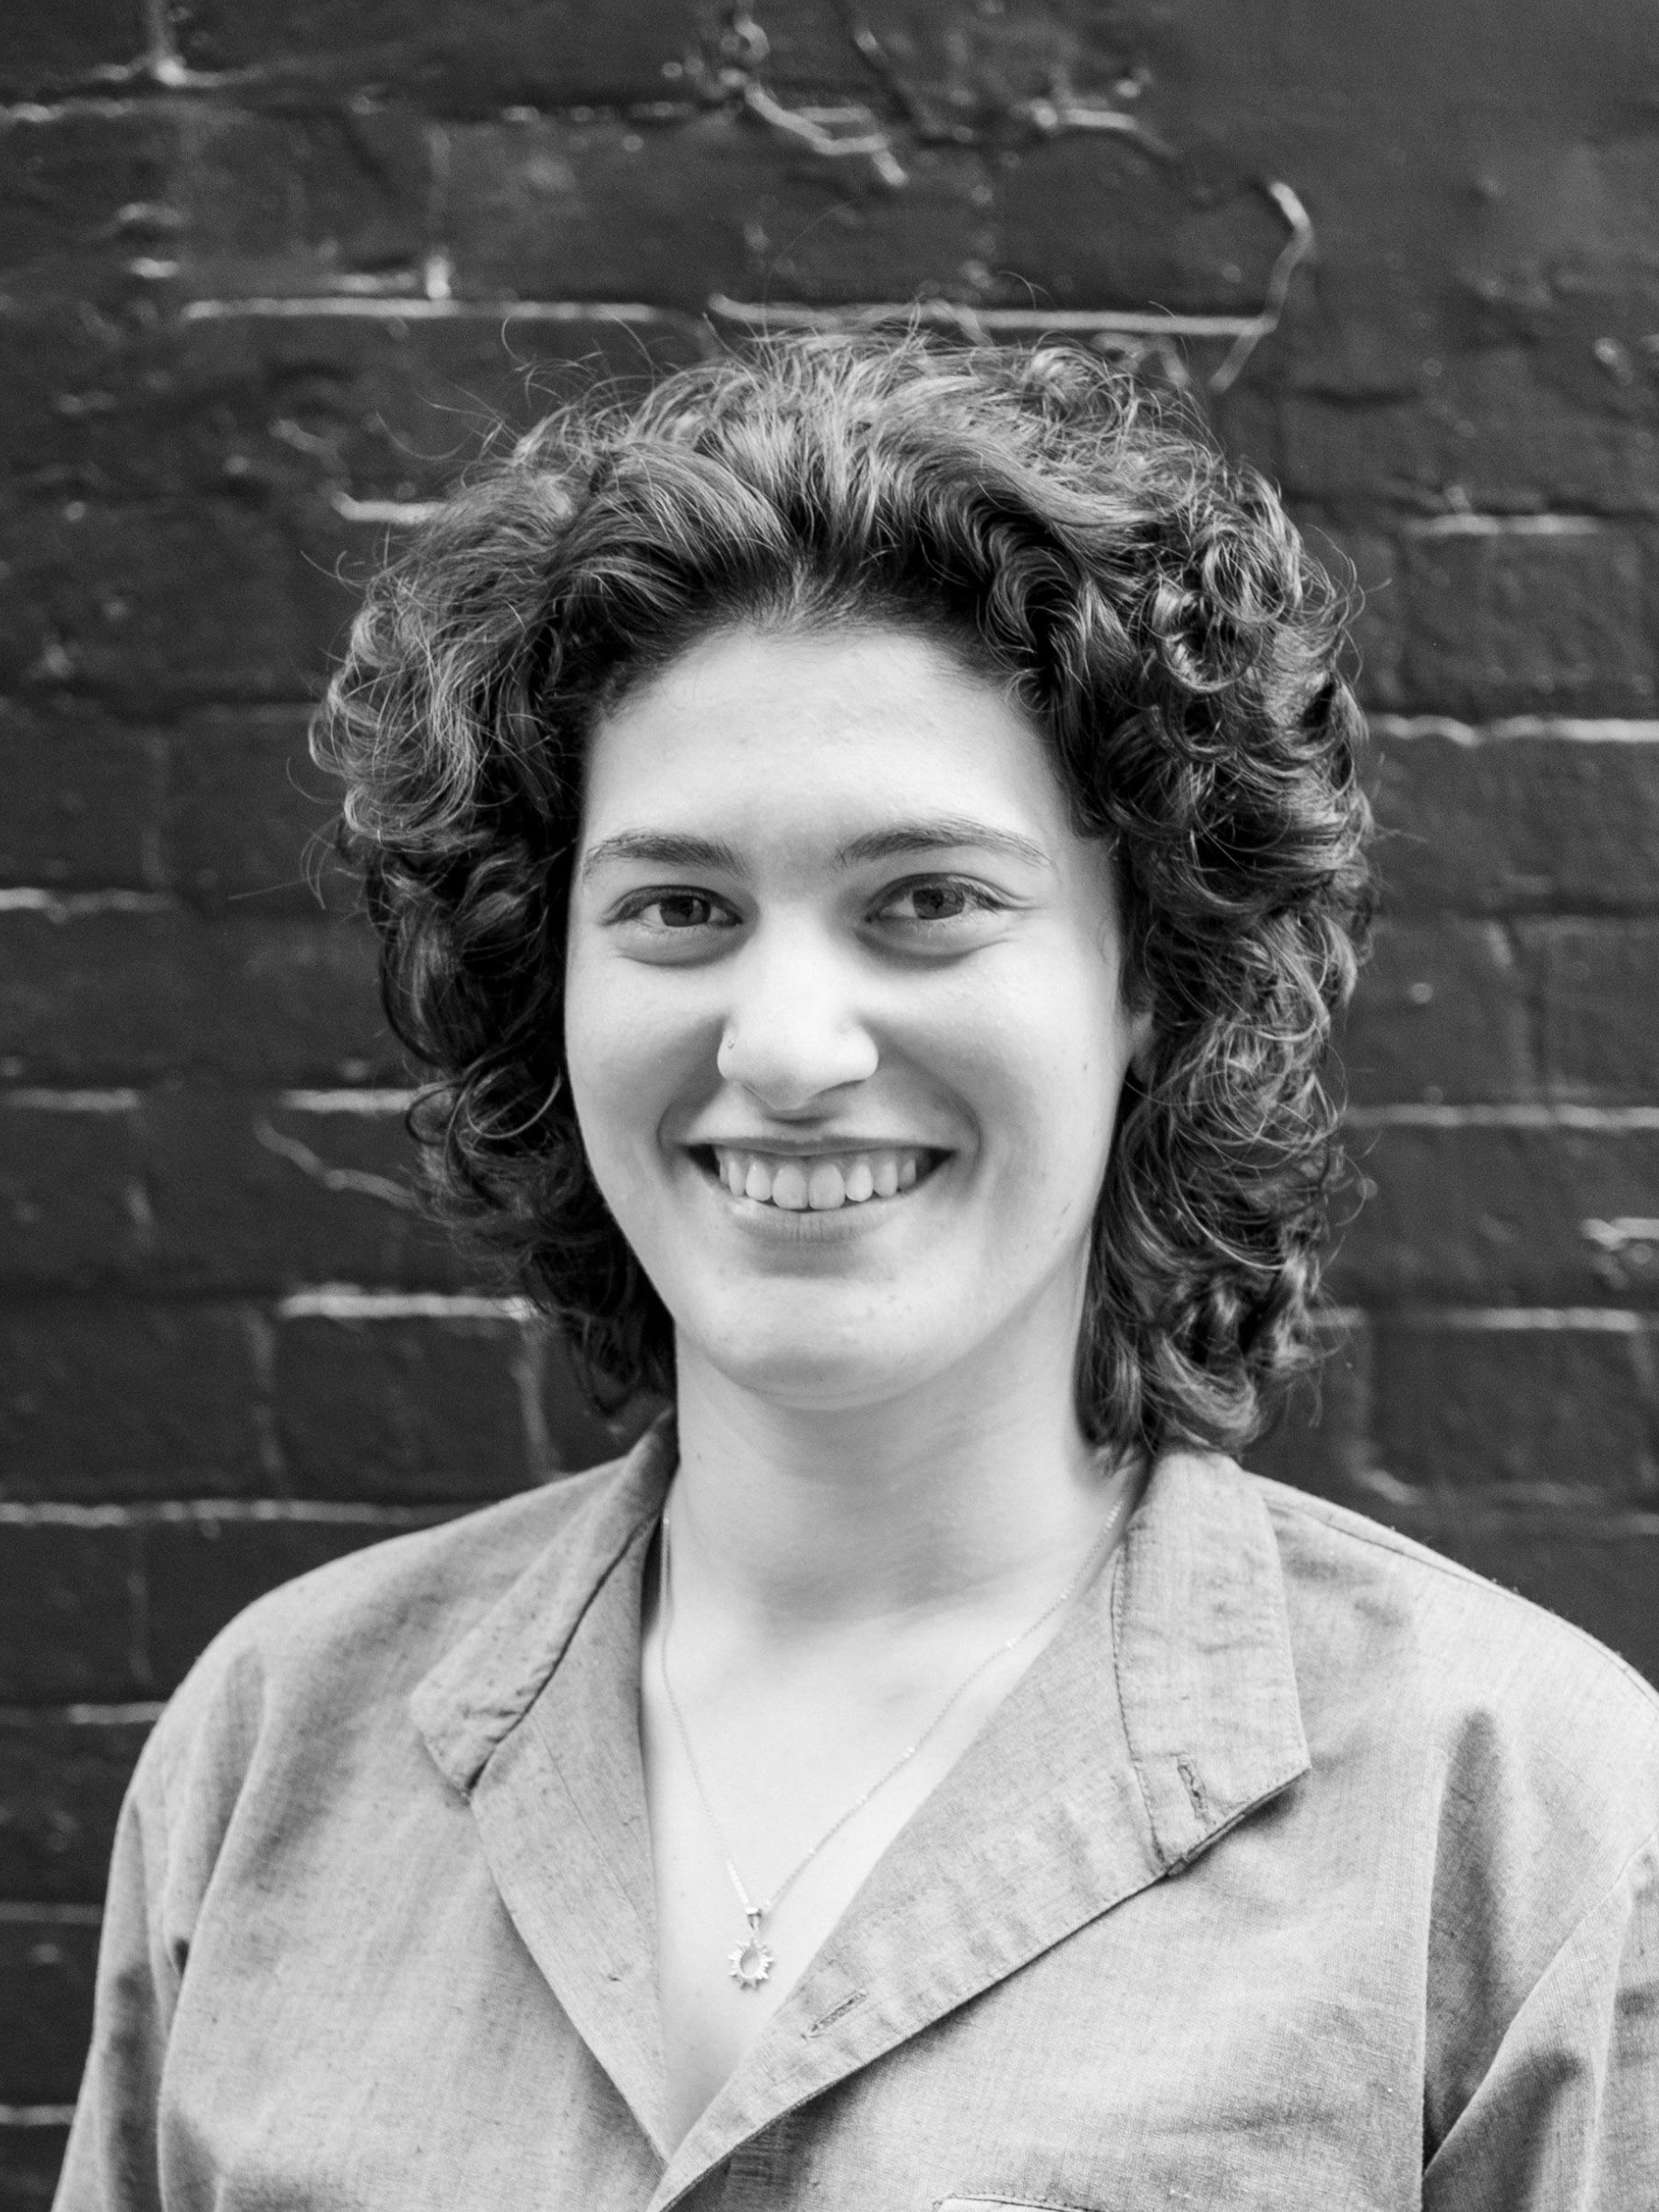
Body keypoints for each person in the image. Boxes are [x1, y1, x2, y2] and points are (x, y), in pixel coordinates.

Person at [56, 336, 1658, 2211]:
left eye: (929, 902)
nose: (789, 1046)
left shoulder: (1520, 1817)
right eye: (679, 909)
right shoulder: (274, 1748)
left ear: (1149, 979)